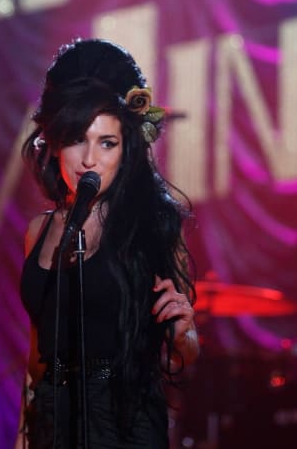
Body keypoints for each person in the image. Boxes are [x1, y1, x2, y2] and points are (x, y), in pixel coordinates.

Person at [16, 38, 198, 449]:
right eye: (78, 139)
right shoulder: (37, 232)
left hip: (122, 420)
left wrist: (185, 334)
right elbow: (36, 356)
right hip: (52, 420)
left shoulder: (153, 225)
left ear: (126, 148)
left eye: (107, 143)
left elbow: (179, 358)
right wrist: (24, 432)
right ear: (56, 143)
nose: (89, 160)